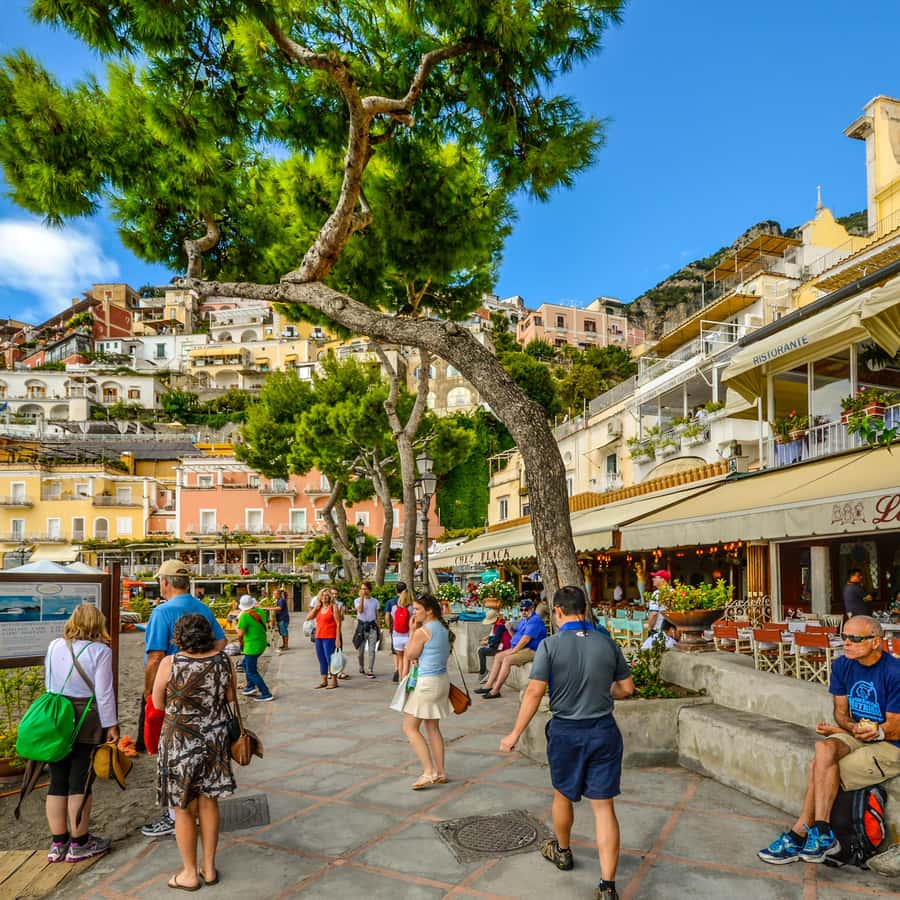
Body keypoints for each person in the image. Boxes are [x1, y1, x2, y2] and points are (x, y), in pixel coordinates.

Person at [500, 586, 634, 900]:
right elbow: (626, 688)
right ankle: (607, 886)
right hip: (603, 731)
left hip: (566, 732)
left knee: (562, 794)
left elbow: (535, 692)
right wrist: (604, 692)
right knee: (604, 807)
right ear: (584, 609)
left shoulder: (550, 645)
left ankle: (562, 852)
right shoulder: (606, 642)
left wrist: (514, 734)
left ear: (558, 611)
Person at [758, 615, 900, 865]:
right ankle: (822, 831)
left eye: (855, 638)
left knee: (820, 769)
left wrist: (876, 732)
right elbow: (841, 713)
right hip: (859, 734)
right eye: (844, 637)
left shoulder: (894, 672)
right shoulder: (843, 665)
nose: (847, 643)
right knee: (824, 747)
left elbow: (895, 729)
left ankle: (799, 833)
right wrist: (850, 728)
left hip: (891, 744)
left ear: (876, 642)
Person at [141, 560, 226, 838]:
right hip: (203, 696)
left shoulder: (162, 612)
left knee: (172, 756)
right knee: (201, 755)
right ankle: (197, 811)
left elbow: (155, 657)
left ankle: (174, 816)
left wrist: (149, 691)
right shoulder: (202, 607)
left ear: (165, 582)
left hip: (173, 693)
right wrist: (201, 665)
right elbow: (221, 642)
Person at [152, 614, 236, 890]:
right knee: (209, 802)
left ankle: (189, 873)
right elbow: (230, 697)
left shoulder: (170, 663)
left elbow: (158, 703)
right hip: (214, 739)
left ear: (179, 637)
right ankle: (209, 868)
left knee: (183, 806)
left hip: (179, 740)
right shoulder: (223, 661)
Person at [44, 604, 119, 863]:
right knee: (79, 780)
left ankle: (58, 843)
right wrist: (111, 724)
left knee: (57, 780)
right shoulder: (100, 651)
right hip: (84, 717)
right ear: (98, 624)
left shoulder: (55, 645)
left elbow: (49, 683)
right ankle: (79, 842)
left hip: (56, 715)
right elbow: (104, 693)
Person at [401, 594, 453, 789]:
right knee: (432, 727)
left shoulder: (423, 631)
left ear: (429, 611)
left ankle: (428, 771)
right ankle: (440, 771)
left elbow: (409, 654)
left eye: (417, 609)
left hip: (427, 683)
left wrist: (411, 631)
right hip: (441, 680)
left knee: (410, 728)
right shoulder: (443, 628)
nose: (413, 613)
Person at [476, 599, 547, 700]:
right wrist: (510, 628)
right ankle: (488, 686)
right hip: (521, 648)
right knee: (498, 656)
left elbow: (525, 640)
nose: (523, 612)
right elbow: (515, 636)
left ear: (532, 609)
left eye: (526, 609)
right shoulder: (523, 620)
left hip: (532, 650)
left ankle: (495, 690)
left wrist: (513, 651)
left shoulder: (535, 620)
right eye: (521, 609)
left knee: (507, 659)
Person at [237, 594, 273, 701]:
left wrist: (235, 625)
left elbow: (240, 634)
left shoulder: (244, 616)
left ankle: (266, 693)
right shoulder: (260, 611)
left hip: (251, 647)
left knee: (252, 671)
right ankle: (250, 687)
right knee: (245, 664)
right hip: (261, 644)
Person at [306, 589, 343, 688]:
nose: (324, 597)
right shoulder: (319, 608)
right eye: (322, 595)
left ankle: (334, 681)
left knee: (330, 659)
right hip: (319, 636)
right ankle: (324, 681)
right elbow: (308, 618)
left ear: (330, 597)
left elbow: (338, 623)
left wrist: (338, 638)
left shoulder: (333, 607)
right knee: (321, 659)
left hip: (330, 637)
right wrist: (316, 608)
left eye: (326, 595)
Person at [354, 581, 380, 678]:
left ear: (369, 590)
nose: (363, 591)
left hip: (372, 627)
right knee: (360, 652)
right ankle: (361, 666)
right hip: (361, 627)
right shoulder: (357, 600)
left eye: (365, 589)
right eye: (362, 589)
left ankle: (370, 670)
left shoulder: (375, 601)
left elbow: (377, 615)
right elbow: (360, 610)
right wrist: (361, 598)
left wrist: (379, 628)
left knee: (372, 650)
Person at [477, 608, 510, 680]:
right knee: (481, 649)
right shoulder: (500, 622)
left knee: (481, 651)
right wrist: (488, 638)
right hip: (500, 645)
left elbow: (495, 640)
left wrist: (486, 642)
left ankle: (483, 672)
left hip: (504, 648)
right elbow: (497, 636)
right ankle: (483, 671)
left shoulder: (500, 626)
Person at [385, 582, 407, 683]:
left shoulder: (390, 602)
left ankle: (397, 668)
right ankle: (404, 678)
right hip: (407, 633)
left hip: (396, 632)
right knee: (406, 658)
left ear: (396, 590)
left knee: (396, 653)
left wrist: (390, 628)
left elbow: (387, 617)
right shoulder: (409, 602)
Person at [391, 590, 413, 683]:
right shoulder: (411, 609)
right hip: (407, 636)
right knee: (406, 661)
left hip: (396, 636)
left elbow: (393, 620)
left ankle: (400, 680)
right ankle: (405, 681)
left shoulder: (394, 608)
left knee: (400, 659)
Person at [646, 569, 671, 633]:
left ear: (662, 579)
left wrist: (649, 628)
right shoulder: (673, 592)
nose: (653, 579)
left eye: (655, 577)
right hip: (671, 631)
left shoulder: (657, 593)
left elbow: (654, 614)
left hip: (658, 629)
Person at [273, 588, 290, 652]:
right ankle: (284, 645)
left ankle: (286, 645)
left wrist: (271, 608)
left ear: (278, 594)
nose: (274, 595)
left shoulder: (281, 600)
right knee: (282, 632)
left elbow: (280, 608)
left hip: (283, 618)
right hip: (281, 618)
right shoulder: (278, 600)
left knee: (284, 632)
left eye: (274, 594)